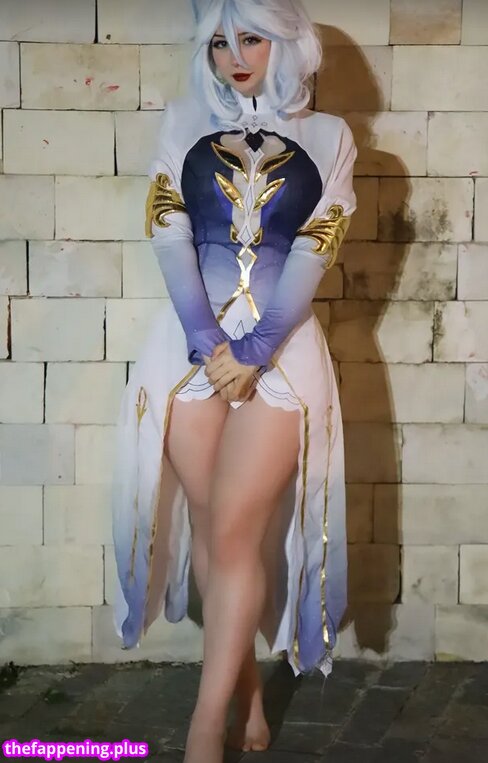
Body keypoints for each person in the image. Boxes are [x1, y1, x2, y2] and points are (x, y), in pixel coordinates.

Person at [111, 0, 357, 760]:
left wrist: (255, 350)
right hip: (188, 354)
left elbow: (318, 246)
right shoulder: (182, 119)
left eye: (251, 38)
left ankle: (200, 731)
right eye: (219, 42)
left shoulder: (331, 136)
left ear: (289, 42)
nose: (235, 57)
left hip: (282, 357)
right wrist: (207, 339)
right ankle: (247, 692)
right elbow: (167, 229)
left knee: (235, 530)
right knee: (217, 532)